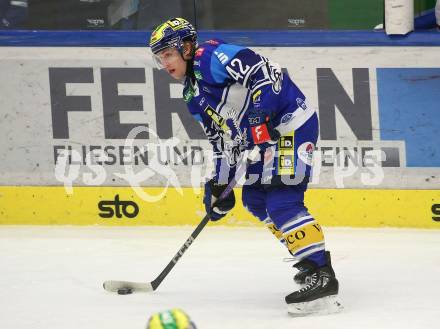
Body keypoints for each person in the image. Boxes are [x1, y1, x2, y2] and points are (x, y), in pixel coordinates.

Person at [149, 17, 341, 315]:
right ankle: (307, 258)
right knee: (255, 199)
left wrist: (259, 114)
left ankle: (321, 273)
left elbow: (263, 72)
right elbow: (221, 140)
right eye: (160, 58)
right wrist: (220, 185)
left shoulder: (211, 56)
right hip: (265, 141)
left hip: (289, 127)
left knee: (282, 199)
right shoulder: (191, 95)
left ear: (186, 47)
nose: (165, 63)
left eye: (168, 54)